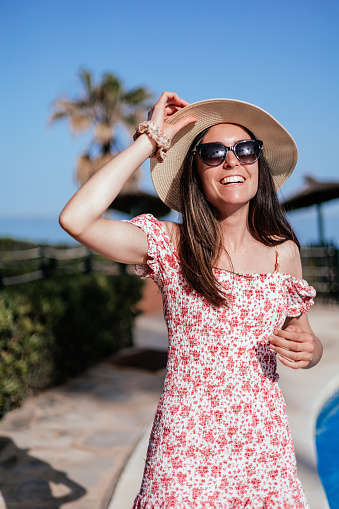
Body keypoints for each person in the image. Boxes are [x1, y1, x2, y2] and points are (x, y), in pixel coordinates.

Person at [59, 91, 323, 508]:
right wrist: (149, 140)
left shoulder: (283, 251)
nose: (232, 161)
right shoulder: (169, 245)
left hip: (264, 449)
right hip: (185, 450)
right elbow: (77, 219)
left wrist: (312, 350)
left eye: (245, 150)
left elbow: (301, 337)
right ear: (195, 172)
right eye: (213, 152)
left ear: (259, 164)